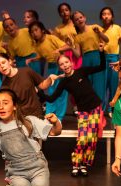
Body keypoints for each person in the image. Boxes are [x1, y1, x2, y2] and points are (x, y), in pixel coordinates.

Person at [0, 52, 55, 186]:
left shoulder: (26, 71)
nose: (2, 67)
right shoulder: (5, 86)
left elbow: (42, 85)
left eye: (3, 63)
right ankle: (11, 184)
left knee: (35, 153)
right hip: (18, 121)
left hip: (35, 117)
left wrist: (50, 79)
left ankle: (35, 184)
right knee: (13, 154)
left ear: (10, 61)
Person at [39, 43, 106, 176]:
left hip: (94, 108)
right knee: (82, 139)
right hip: (82, 112)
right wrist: (39, 91)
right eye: (62, 64)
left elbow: (101, 67)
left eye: (67, 62)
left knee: (91, 139)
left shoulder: (82, 71)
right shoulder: (64, 82)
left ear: (71, 62)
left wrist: (101, 52)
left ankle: (84, 164)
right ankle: (76, 164)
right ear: (60, 67)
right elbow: (52, 98)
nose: (65, 65)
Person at [28, 21, 71, 121]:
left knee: (62, 92)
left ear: (42, 30)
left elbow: (67, 46)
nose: (34, 33)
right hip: (51, 66)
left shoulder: (51, 38)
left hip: (60, 66)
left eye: (36, 30)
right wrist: (33, 59)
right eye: (32, 32)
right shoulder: (37, 45)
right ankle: (49, 114)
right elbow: (42, 56)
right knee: (51, 91)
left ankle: (59, 116)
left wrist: (59, 50)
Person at [71, 10, 109, 104]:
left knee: (99, 83)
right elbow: (78, 54)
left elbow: (107, 39)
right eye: (76, 19)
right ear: (74, 23)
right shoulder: (77, 37)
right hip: (86, 59)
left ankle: (100, 108)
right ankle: (91, 107)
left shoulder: (94, 27)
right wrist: (71, 46)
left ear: (85, 17)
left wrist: (99, 32)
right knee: (89, 84)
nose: (79, 20)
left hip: (97, 56)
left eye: (80, 17)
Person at [54, 2, 81, 115]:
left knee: (78, 81)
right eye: (61, 11)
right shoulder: (58, 28)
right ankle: (70, 107)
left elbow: (81, 39)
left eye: (66, 10)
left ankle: (79, 104)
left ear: (70, 11)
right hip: (66, 56)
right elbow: (56, 44)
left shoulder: (76, 25)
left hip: (76, 54)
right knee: (67, 81)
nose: (64, 12)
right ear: (59, 14)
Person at [99, 6, 121, 116]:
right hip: (103, 58)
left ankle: (112, 108)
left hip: (114, 58)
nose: (106, 16)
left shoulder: (117, 28)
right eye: (104, 14)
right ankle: (103, 109)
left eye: (108, 14)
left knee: (114, 84)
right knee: (104, 85)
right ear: (101, 17)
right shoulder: (99, 30)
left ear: (112, 16)